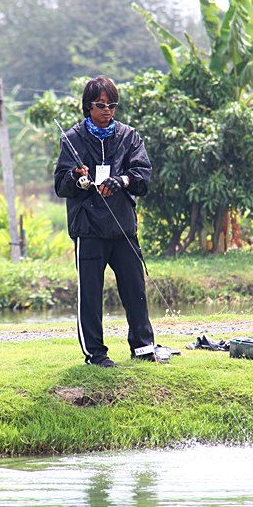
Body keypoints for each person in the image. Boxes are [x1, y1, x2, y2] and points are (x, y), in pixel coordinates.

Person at [53, 76, 155, 367]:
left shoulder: (128, 136)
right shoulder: (71, 139)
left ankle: (143, 347)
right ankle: (95, 354)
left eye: (112, 105)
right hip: (88, 229)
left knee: (135, 288)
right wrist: (77, 178)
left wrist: (121, 180)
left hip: (122, 225)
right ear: (88, 107)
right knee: (90, 295)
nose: (107, 110)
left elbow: (142, 176)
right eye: (100, 105)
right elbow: (61, 186)